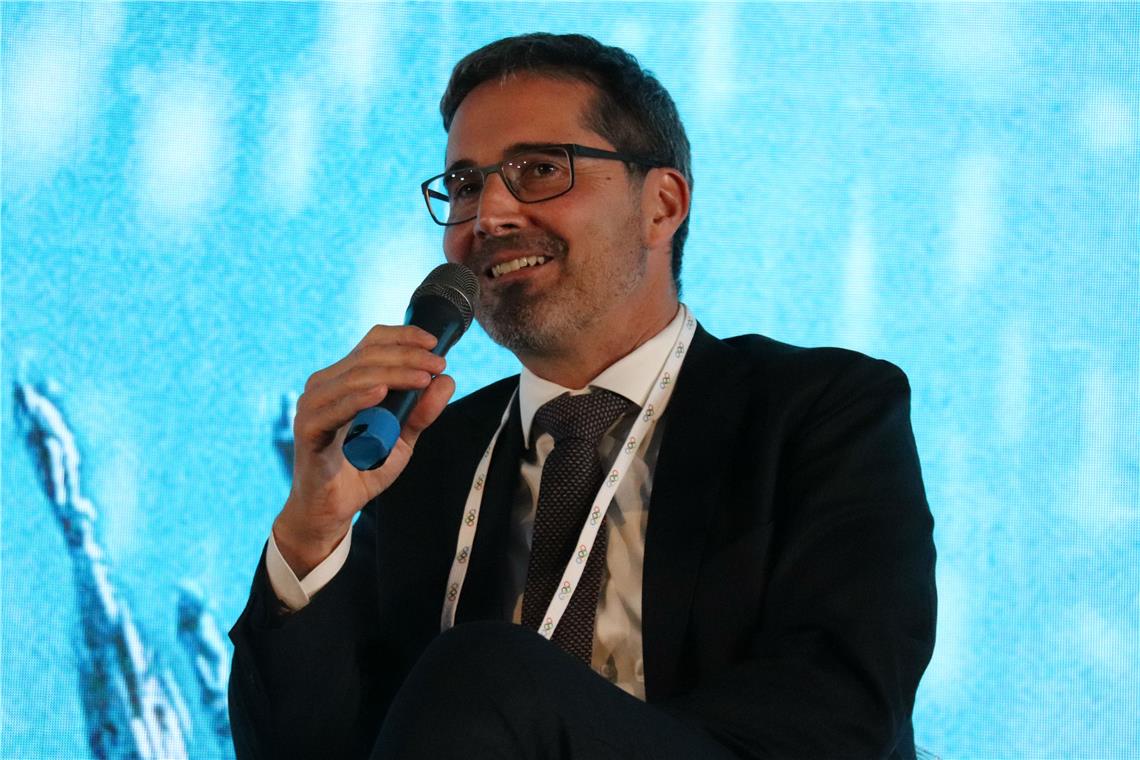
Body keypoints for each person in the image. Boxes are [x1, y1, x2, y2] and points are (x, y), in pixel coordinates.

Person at [228, 33, 936, 760]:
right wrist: (312, 530)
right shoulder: (421, 457)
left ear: (661, 205)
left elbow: (841, 711)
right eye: (465, 186)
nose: (489, 216)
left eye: (539, 169)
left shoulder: (821, 411)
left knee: (484, 671)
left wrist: (527, 714)